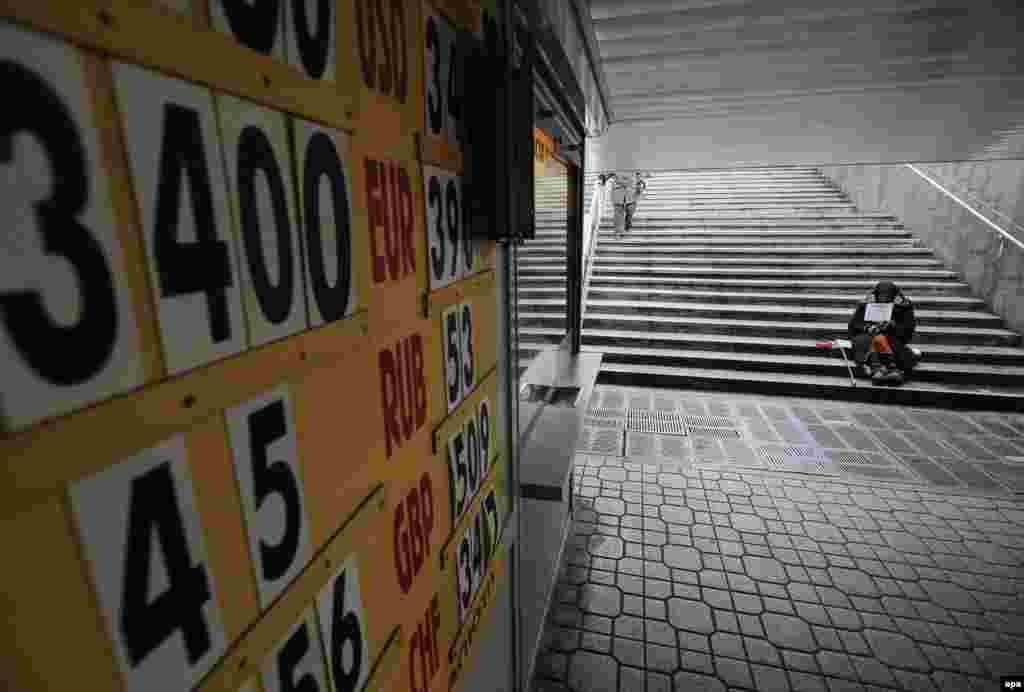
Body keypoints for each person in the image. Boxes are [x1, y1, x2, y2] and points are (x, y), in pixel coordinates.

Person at [847, 280, 921, 386]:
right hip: (867, 337)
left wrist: (892, 326)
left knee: (880, 339)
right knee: (875, 340)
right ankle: (892, 370)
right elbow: (853, 325)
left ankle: (878, 370)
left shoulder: (903, 305)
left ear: (893, 295)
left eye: (887, 295)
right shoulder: (867, 303)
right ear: (876, 294)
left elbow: (908, 329)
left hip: (891, 338)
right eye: (881, 295)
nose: (883, 298)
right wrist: (868, 327)